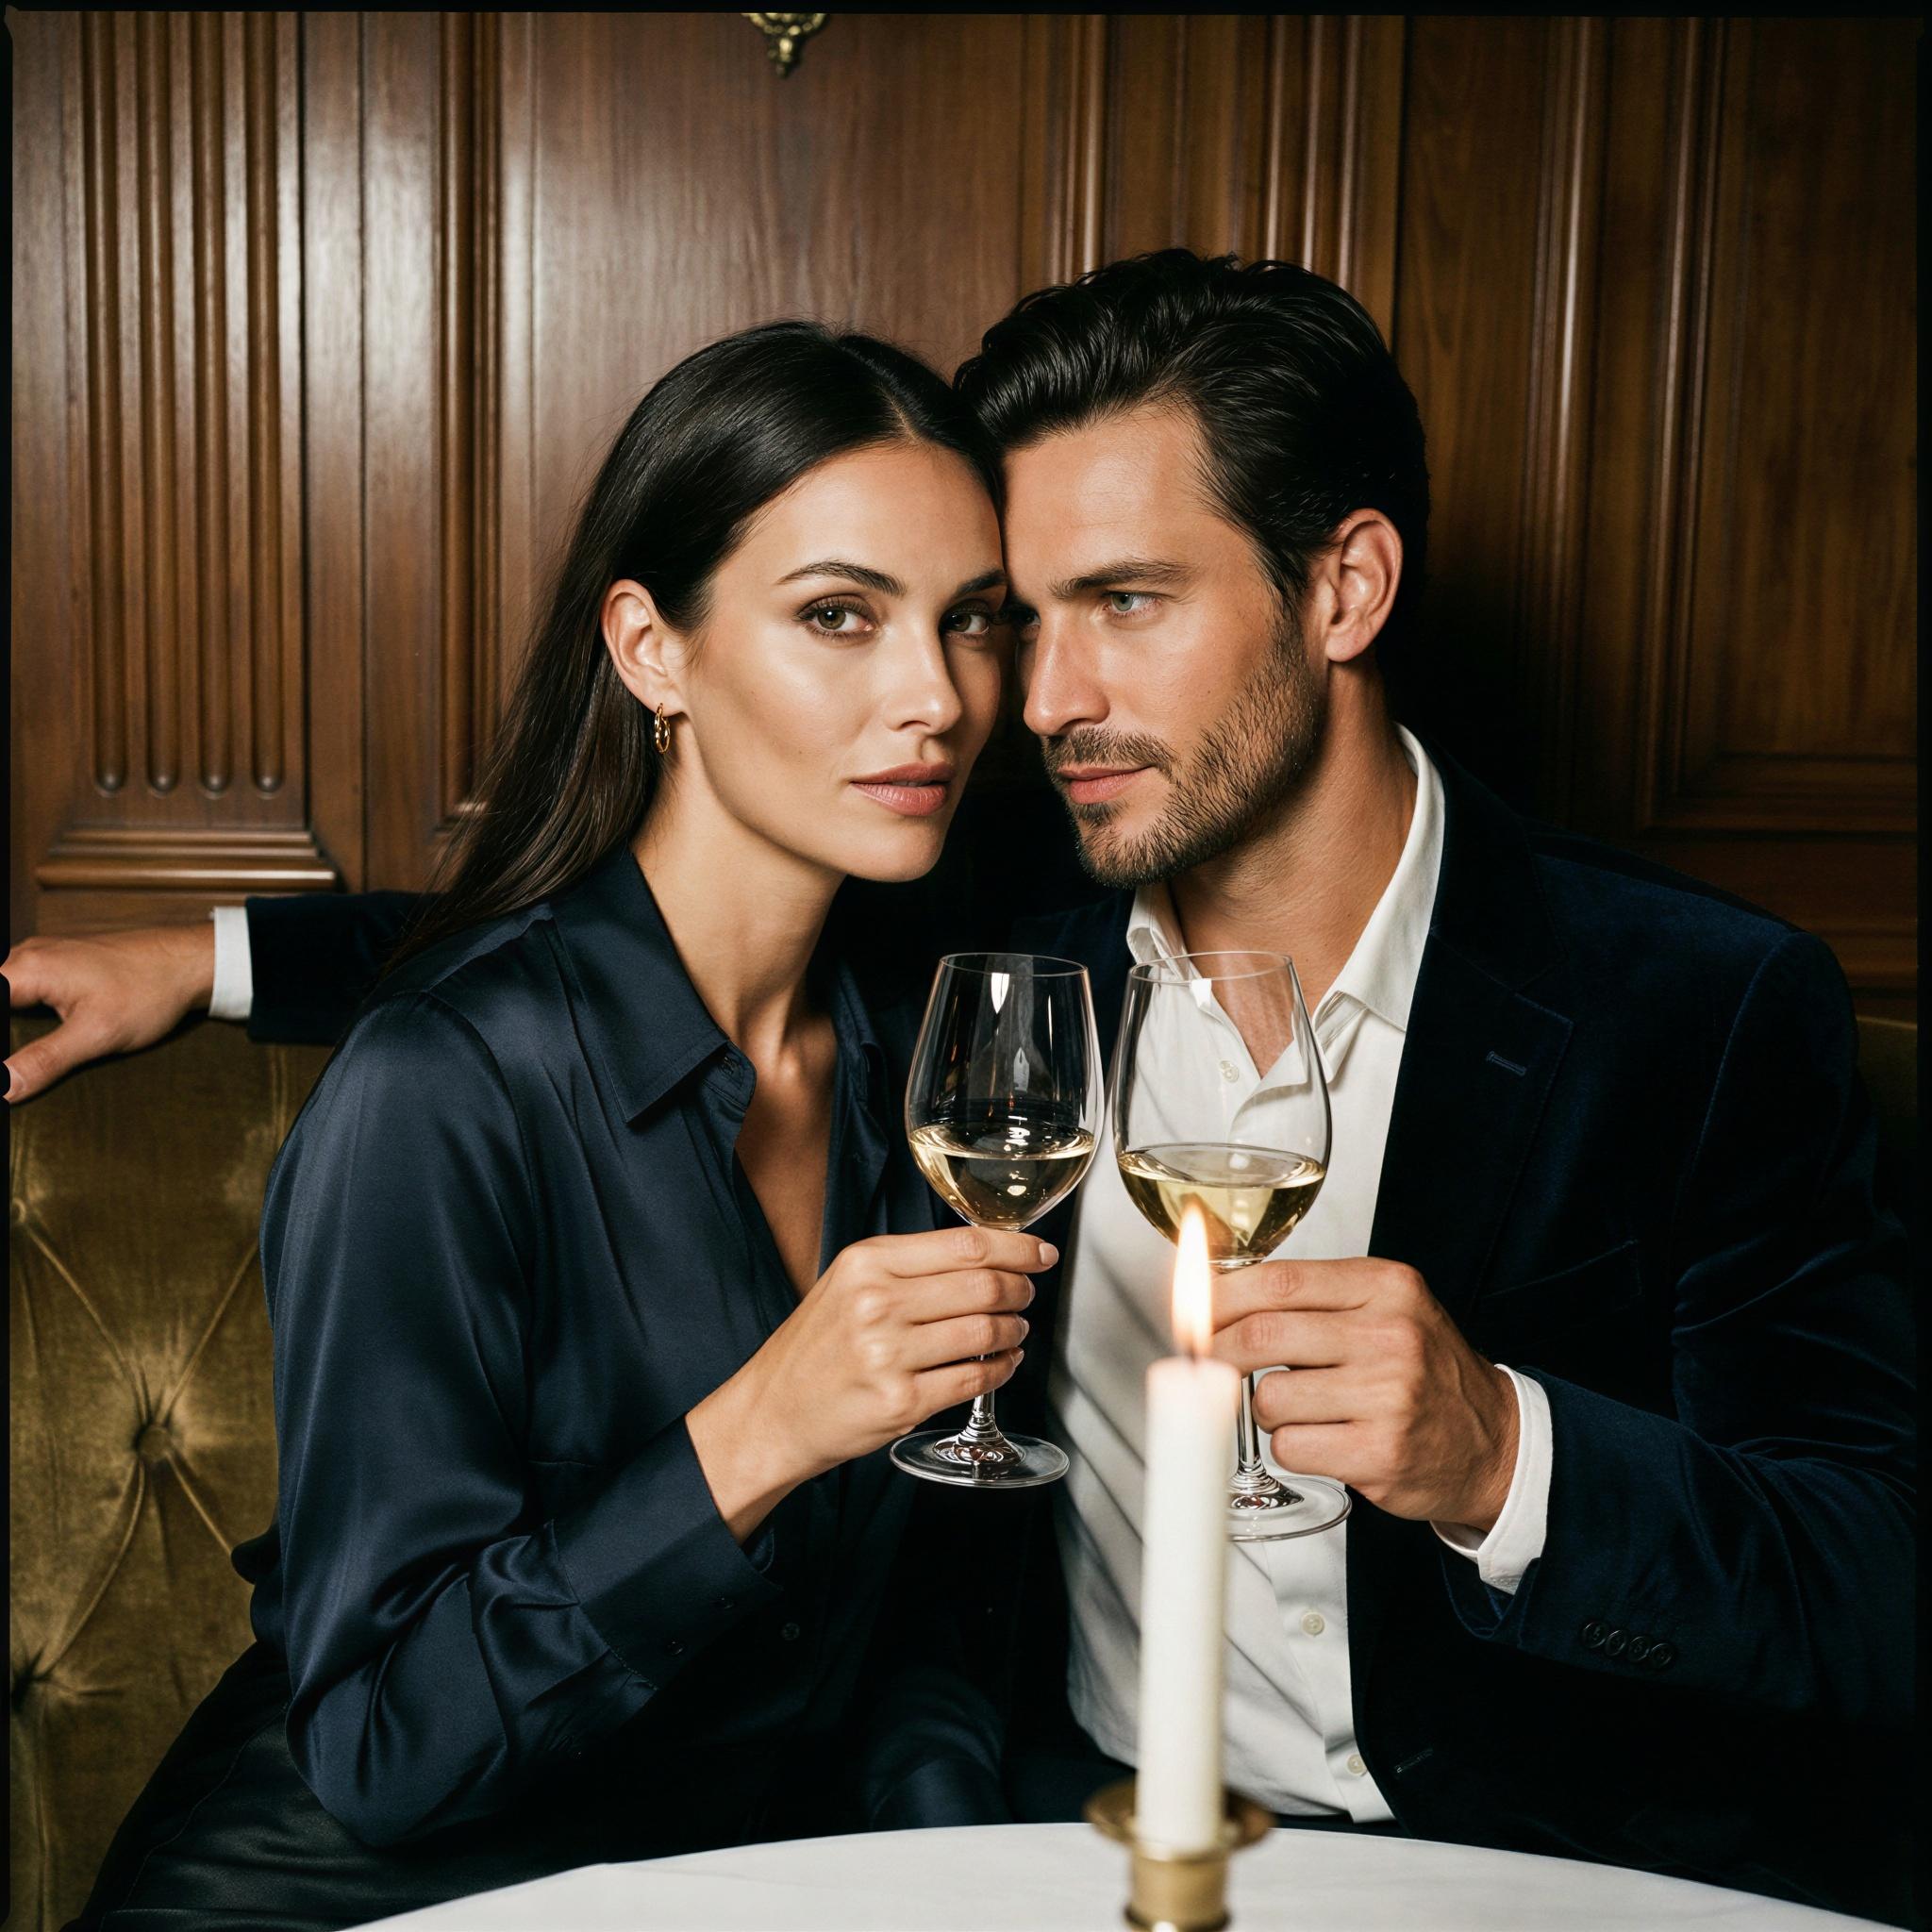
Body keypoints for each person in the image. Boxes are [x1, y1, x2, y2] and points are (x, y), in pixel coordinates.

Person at [12, 254, 1914, 1925]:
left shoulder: (1694, 1005)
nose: (1034, 694)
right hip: (1034, 1838)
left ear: (1342, 586)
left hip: (1518, 1858)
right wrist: (210, 955)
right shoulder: (986, 947)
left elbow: (1875, 1584)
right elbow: (617, 915)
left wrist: (1506, 1459)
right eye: (1024, 610)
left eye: (1125, 602)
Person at [53, 320, 1058, 1931]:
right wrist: (756, 1435)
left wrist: (977, 1877)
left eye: (971, 623)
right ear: (653, 649)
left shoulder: (937, 1068)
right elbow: (383, 1749)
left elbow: (914, 1639)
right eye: (838, 617)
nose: (935, 696)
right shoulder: (442, 1089)